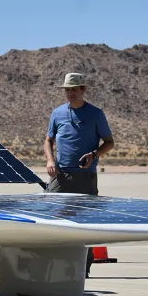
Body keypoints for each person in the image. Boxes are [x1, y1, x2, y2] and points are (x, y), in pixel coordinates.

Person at [43, 72, 114, 277]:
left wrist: (94, 154)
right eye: (67, 90)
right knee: (52, 218)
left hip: (86, 176)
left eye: (74, 89)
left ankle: (84, 267)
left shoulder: (96, 114)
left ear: (83, 89)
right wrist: (50, 160)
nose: (70, 93)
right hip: (60, 175)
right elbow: (48, 140)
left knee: (86, 221)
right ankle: (53, 261)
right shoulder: (57, 113)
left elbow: (109, 142)